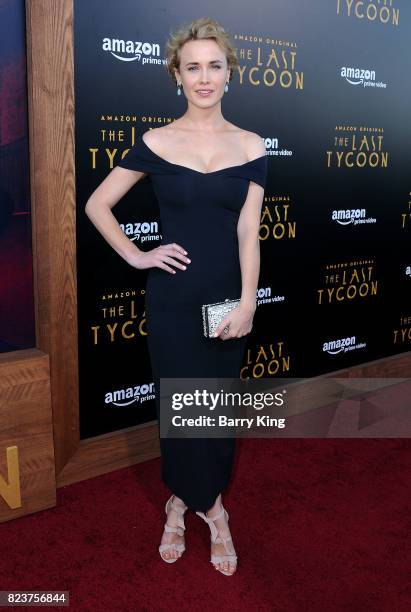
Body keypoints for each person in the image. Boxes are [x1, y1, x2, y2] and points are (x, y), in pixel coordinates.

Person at [85, 17, 267, 576]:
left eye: (215, 66)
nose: (204, 77)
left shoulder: (252, 145)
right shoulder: (157, 143)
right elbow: (97, 205)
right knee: (178, 409)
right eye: (193, 67)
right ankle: (207, 509)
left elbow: (247, 232)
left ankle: (187, 499)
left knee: (215, 410)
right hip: (172, 300)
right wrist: (138, 256)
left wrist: (248, 302)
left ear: (228, 74)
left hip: (224, 300)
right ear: (177, 77)